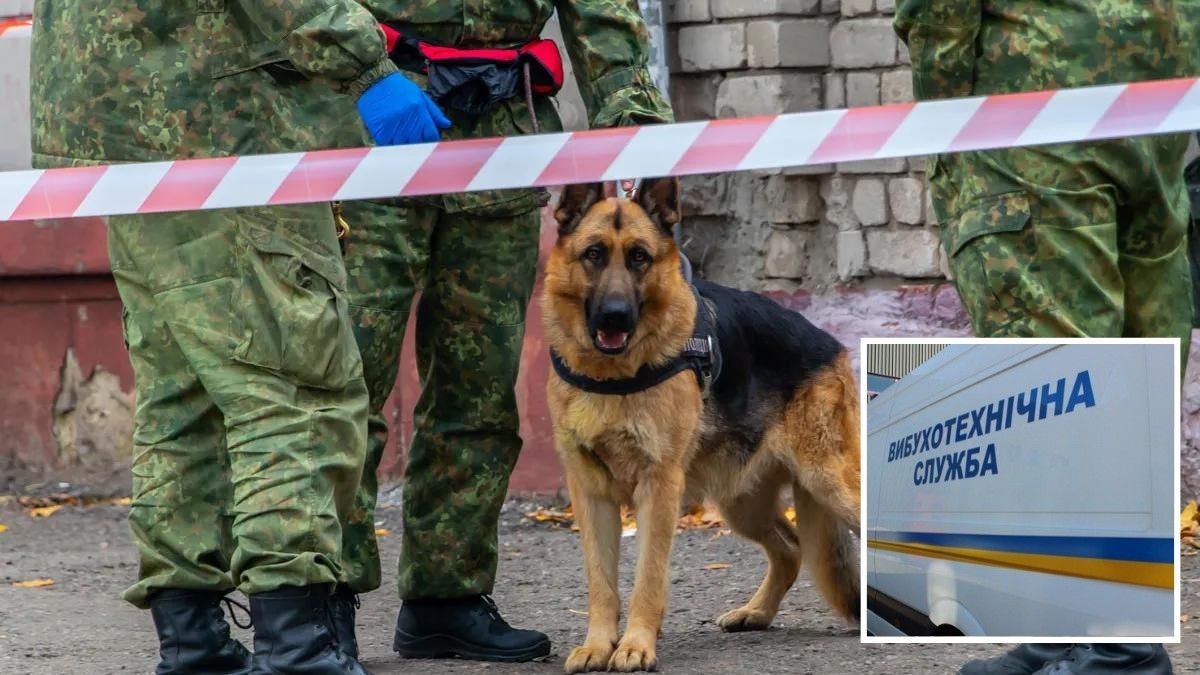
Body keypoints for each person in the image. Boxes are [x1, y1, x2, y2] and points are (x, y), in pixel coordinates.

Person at [29, 1, 446, 673]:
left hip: (124, 122)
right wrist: (368, 64)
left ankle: (193, 642)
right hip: (223, 122)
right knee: (291, 386)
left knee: (181, 392)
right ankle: (299, 646)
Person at [322, 0, 674, 662]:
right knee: (347, 381)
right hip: (377, 123)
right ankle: (322, 599)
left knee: (478, 390)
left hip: (500, 140)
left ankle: (445, 597)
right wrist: (366, 69)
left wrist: (634, 123)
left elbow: (602, 12)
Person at [895, 1, 1195, 673]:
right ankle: (1070, 628)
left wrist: (949, 119)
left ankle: (1119, 649)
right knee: (1134, 360)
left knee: (1060, 377)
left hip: (1036, 92)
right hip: (1158, 83)